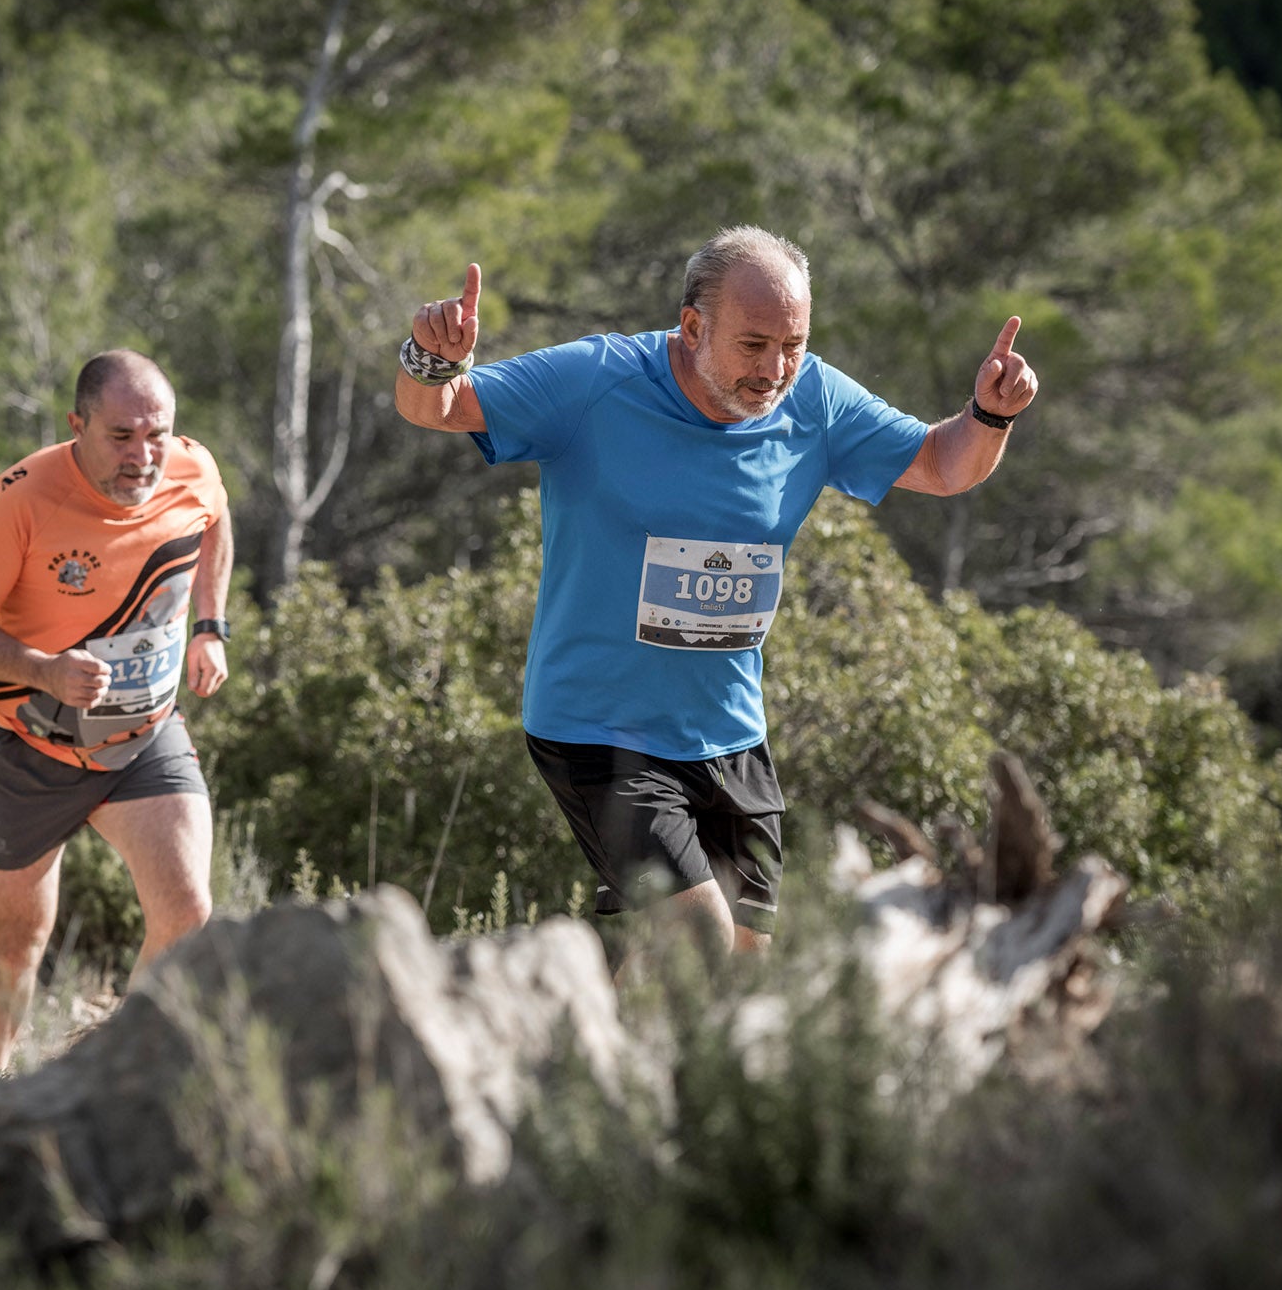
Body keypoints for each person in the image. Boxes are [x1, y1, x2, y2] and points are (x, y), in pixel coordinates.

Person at [393, 226, 1040, 958]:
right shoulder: (597, 382)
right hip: (599, 728)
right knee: (697, 936)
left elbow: (942, 462)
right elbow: (439, 407)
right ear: (694, 326)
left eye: (793, 344)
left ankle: (606, 1063)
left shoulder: (815, 399)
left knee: (741, 966)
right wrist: (433, 359)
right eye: (754, 345)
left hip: (731, 734)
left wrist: (991, 415)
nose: (776, 369)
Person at [0, 349, 233, 1071]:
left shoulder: (191, 466)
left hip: (142, 739)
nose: (144, 455)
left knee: (187, 914)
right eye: (122, 436)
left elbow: (215, 518)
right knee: (16, 939)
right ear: (78, 424)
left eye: (157, 433)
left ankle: (109, 1073)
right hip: (29, 748)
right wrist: (42, 669)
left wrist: (210, 626)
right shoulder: (22, 498)